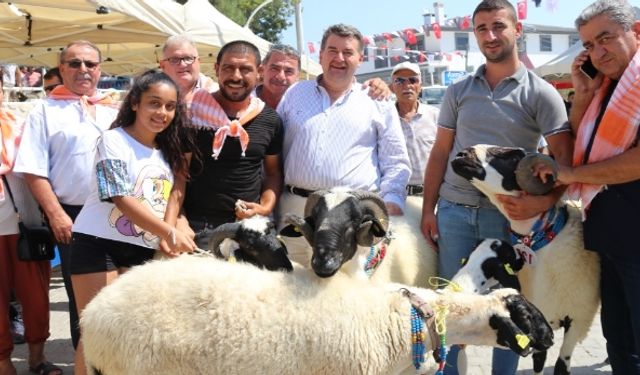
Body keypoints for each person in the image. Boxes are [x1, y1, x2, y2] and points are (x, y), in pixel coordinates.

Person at [419, 1, 573, 374]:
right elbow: (440, 153)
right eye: (482, 28)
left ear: (516, 29)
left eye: (498, 26)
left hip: (508, 218)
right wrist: (428, 210)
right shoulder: (458, 91)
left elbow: (564, 165)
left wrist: (543, 204)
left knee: (507, 309)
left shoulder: (541, 94)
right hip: (454, 212)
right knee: (451, 308)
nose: (490, 35)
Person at [69, 69, 196, 375]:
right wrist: (168, 231)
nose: (162, 112)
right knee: (97, 335)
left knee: (128, 339)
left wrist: (166, 236)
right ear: (136, 103)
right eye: (154, 103)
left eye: (169, 106)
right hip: (99, 246)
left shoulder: (169, 151)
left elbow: (175, 193)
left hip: (142, 251)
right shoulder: (112, 140)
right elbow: (118, 196)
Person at [541, 1, 640, 373]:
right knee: (619, 341)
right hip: (610, 237)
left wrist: (568, 175)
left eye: (606, 39)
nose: (598, 53)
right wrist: (582, 94)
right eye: (588, 45)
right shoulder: (606, 88)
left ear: (636, 32)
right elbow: (583, 139)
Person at [13, 40, 120, 351]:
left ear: (100, 69)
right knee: (84, 302)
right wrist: (56, 213)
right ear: (62, 69)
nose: (83, 70)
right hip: (73, 215)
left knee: (120, 295)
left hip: (119, 215)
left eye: (90, 64)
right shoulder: (44, 111)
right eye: (74, 63)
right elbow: (33, 170)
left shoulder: (115, 108)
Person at [276, 23, 411, 266]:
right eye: (332, 50)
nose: (339, 58)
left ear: (360, 59)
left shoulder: (377, 101)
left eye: (348, 52)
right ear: (320, 55)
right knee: (289, 285)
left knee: (347, 292)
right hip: (295, 212)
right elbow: (272, 149)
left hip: (350, 218)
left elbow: (396, 161)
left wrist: (391, 203)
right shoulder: (295, 93)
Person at [174, 40, 283, 248]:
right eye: (228, 68)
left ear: (259, 72)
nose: (236, 76)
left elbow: (273, 173)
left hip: (248, 228)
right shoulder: (191, 114)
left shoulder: (270, 120)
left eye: (245, 69)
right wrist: (179, 218)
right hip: (196, 227)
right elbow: (178, 173)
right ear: (216, 69)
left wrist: (265, 208)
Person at [0, 75, 62, 375]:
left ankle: (38, 358)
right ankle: (2, 362)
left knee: (36, 297)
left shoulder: (23, 125)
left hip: (27, 225)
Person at [256, 43, 392, 109]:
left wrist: (379, 85)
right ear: (262, 70)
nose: (281, 76)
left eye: (289, 71)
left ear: (298, 76)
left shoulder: (309, 101)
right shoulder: (241, 102)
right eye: (275, 68)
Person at [389, 61, 439, 197]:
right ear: (392, 87)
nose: (407, 85)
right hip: (396, 196)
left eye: (413, 80)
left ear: (420, 86)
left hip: (432, 195)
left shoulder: (436, 116)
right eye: (399, 81)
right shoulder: (385, 119)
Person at [159, 35, 218, 105]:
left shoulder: (217, 94)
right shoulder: (152, 93)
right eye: (174, 59)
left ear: (199, 62)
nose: (182, 64)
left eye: (188, 58)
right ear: (163, 65)